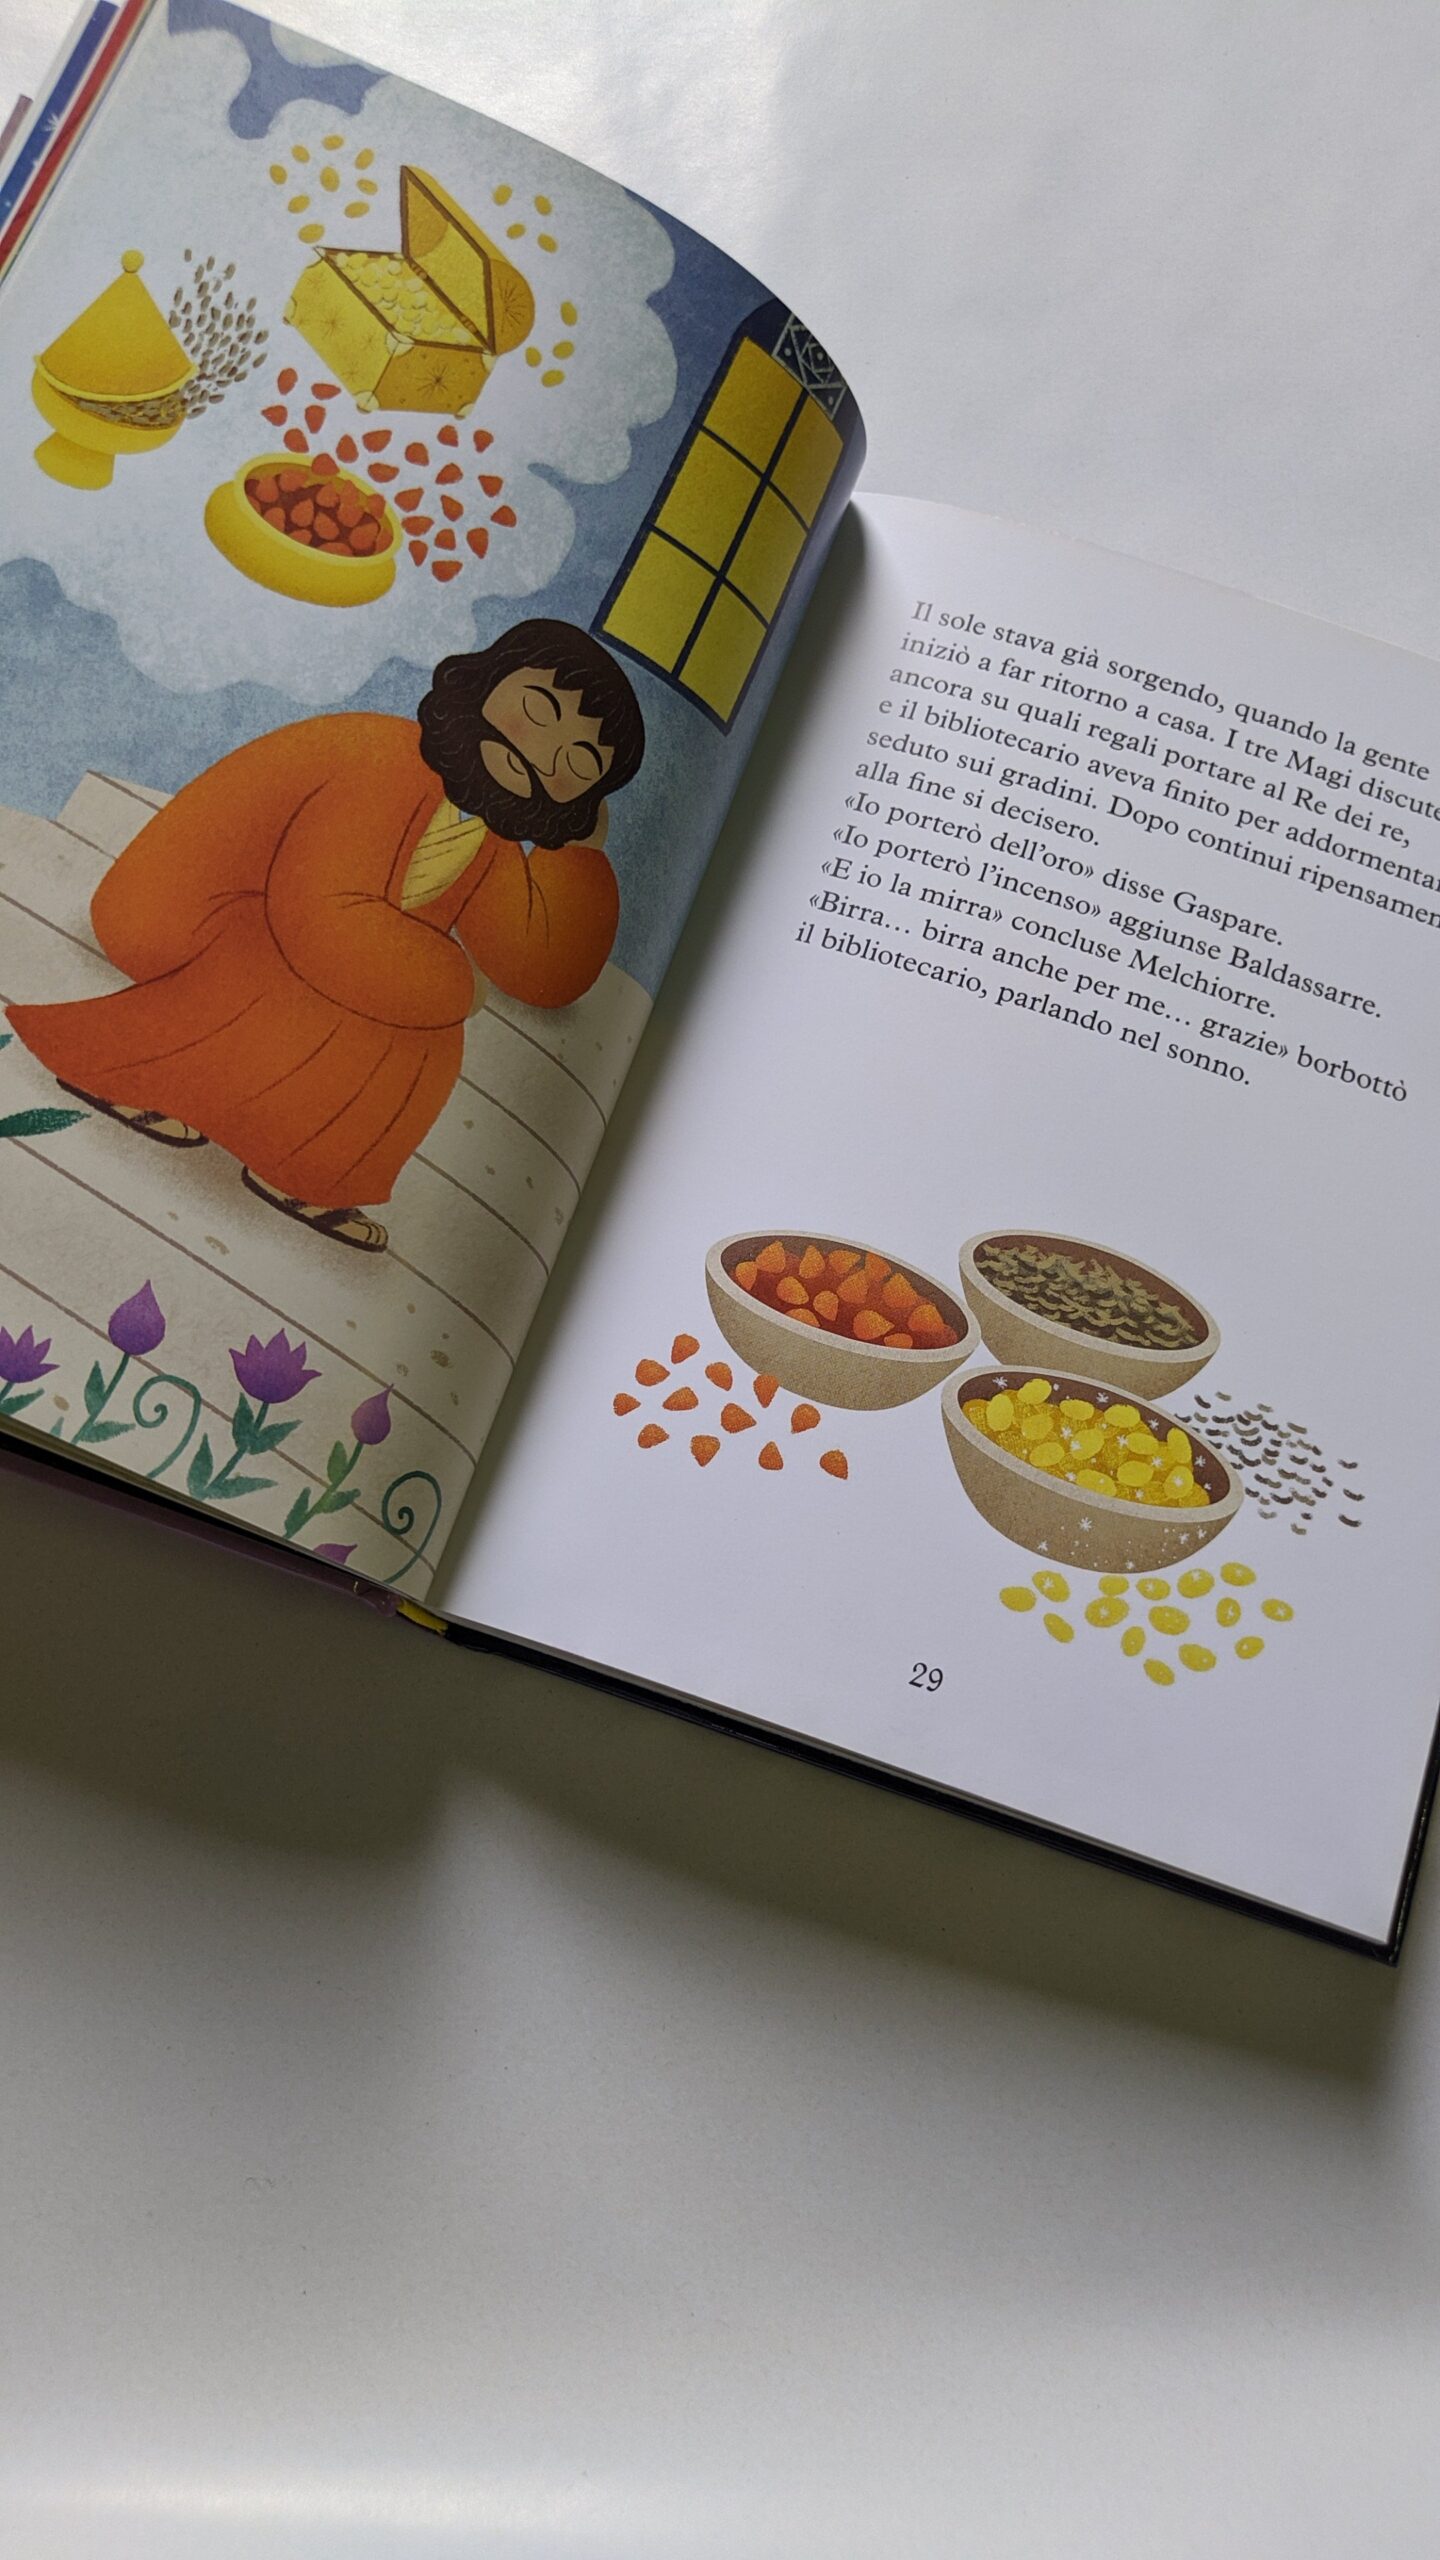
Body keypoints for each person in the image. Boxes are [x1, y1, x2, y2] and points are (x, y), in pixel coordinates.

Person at [7, 620, 645, 1253]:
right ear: (485, 683)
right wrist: (452, 980)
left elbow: (537, 969)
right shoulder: (382, 758)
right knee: (344, 984)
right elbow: (324, 918)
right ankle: (130, 1078)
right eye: (538, 709)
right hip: (188, 907)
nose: (542, 753)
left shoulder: (489, 832)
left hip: (310, 935)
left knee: (427, 1031)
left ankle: (309, 1175)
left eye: (577, 761)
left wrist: (578, 855)